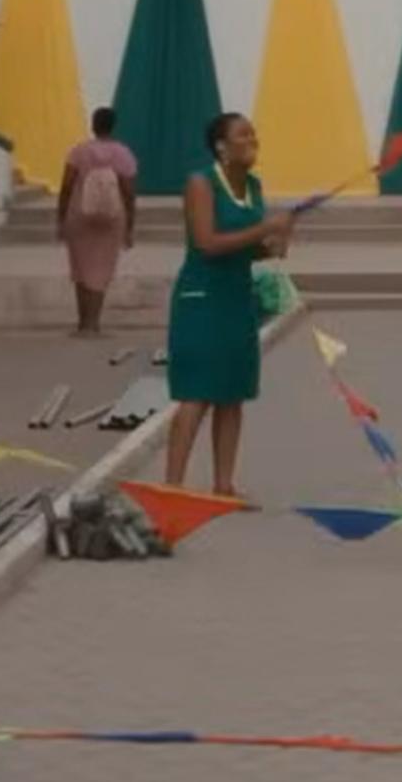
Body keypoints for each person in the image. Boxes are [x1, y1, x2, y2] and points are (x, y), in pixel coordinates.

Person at [163, 111, 290, 500]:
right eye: (243, 134)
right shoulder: (201, 183)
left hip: (237, 296)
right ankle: (173, 487)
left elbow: (258, 250)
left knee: (232, 393)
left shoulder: (253, 185)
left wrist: (279, 237)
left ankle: (223, 485)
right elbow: (208, 243)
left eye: (254, 133)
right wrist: (264, 229)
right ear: (221, 145)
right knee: (197, 392)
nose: (252, 140)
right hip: (201, 297)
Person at [55, 106, 142, 337]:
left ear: (93, 125)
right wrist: (130, 225)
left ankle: (82, 324)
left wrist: (61, 219)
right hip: (112, 219)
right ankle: (94, 324)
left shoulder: (78, 152)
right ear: (113, 126)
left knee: (81, 268)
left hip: (79, 215)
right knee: (101, 268)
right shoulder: (123, 154)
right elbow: (129, 192)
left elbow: (65, 187)